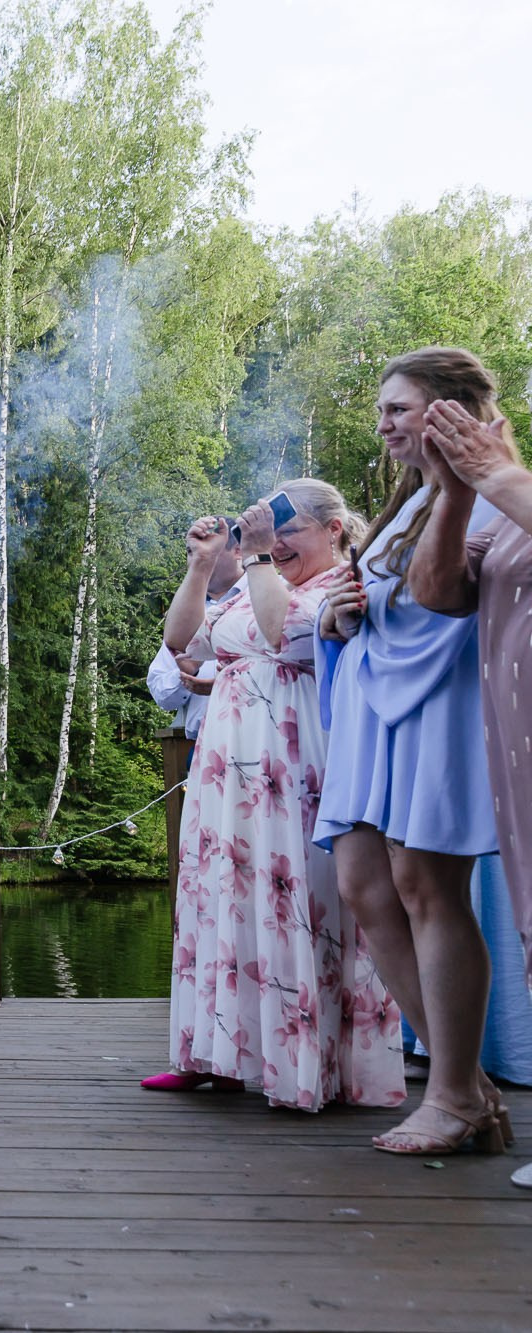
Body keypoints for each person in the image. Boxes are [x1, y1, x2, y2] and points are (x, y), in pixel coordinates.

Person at [148, 482, 402, 1110]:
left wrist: (259, 555)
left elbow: (282, 631)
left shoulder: (342, 583)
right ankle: (213, 1055)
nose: (278, 543)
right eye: (270, 532)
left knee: (289, 897)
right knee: (221, 897)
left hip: (293, 759)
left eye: (291, 531)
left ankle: (301, 1066)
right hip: (224, 764)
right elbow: (180, 642)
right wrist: (202, 564)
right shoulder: (250, 583)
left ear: (333, 529)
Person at [317, 347, 505, 1156]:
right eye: (381, 410)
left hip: (437, 704)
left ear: (449, 409)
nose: (383, 424)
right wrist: (339, 614)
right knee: (363, 885)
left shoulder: (488, 494)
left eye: (398, 408)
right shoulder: (410, 500)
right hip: (374, 704)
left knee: (428, 887)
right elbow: (383, 602)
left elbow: (447, 597)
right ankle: (470, 1086)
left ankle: (453, 1093)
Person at [406, 380, 532, 1183]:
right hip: (516, 745)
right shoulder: (507, 510)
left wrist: (494, 474)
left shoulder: (514, 489)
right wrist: (453, 495)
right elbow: (437, 591)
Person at [146, 520, 240, 740]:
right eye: (191, 551)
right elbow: (162, 697)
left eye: (212, 547)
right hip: (203, 746)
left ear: (238, 551)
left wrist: (229, 682)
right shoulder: (185, 614)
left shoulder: (270, 591)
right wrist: (187, 674)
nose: (199, 556)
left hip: (267, 740)